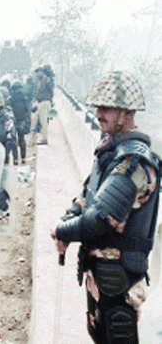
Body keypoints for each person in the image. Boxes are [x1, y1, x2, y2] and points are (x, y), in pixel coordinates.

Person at [51, 71, 159, 344]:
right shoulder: (110, 150)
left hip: (118, 280)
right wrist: (69, 216)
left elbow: (101, 218)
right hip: (100, 276)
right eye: (96, 106)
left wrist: (63, 231)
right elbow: (89, 196)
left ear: (127, 111)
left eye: (106, 107)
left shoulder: (134, 162)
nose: (98, 113)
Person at [30, 66, 54, 145]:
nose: (37, 74)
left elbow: (50, 91)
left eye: (39, 72)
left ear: (42, 72)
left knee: (43, 121)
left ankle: (44, 139)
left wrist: (50, 99)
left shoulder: (46, 80)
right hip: (38, 102)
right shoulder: (37, 81)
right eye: (37, 72)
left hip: (44, 102)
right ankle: (32, 139)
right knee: (34, 120)